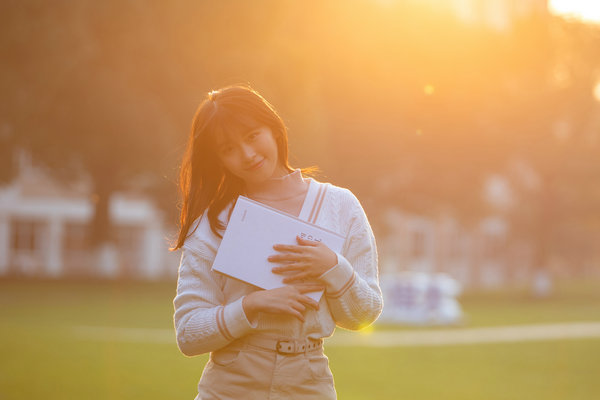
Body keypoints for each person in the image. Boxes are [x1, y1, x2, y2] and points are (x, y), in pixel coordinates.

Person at [171, 84, 383, 399]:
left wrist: (333, 267)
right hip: (230, 385)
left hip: (308, 381)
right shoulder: (215, 221)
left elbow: (364, 314)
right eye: (228, 149)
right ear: (218, 159)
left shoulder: (339, 205)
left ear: (273, 128)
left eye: (252, 136)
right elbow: (189, 334)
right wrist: (251, 305)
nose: (247, 155)